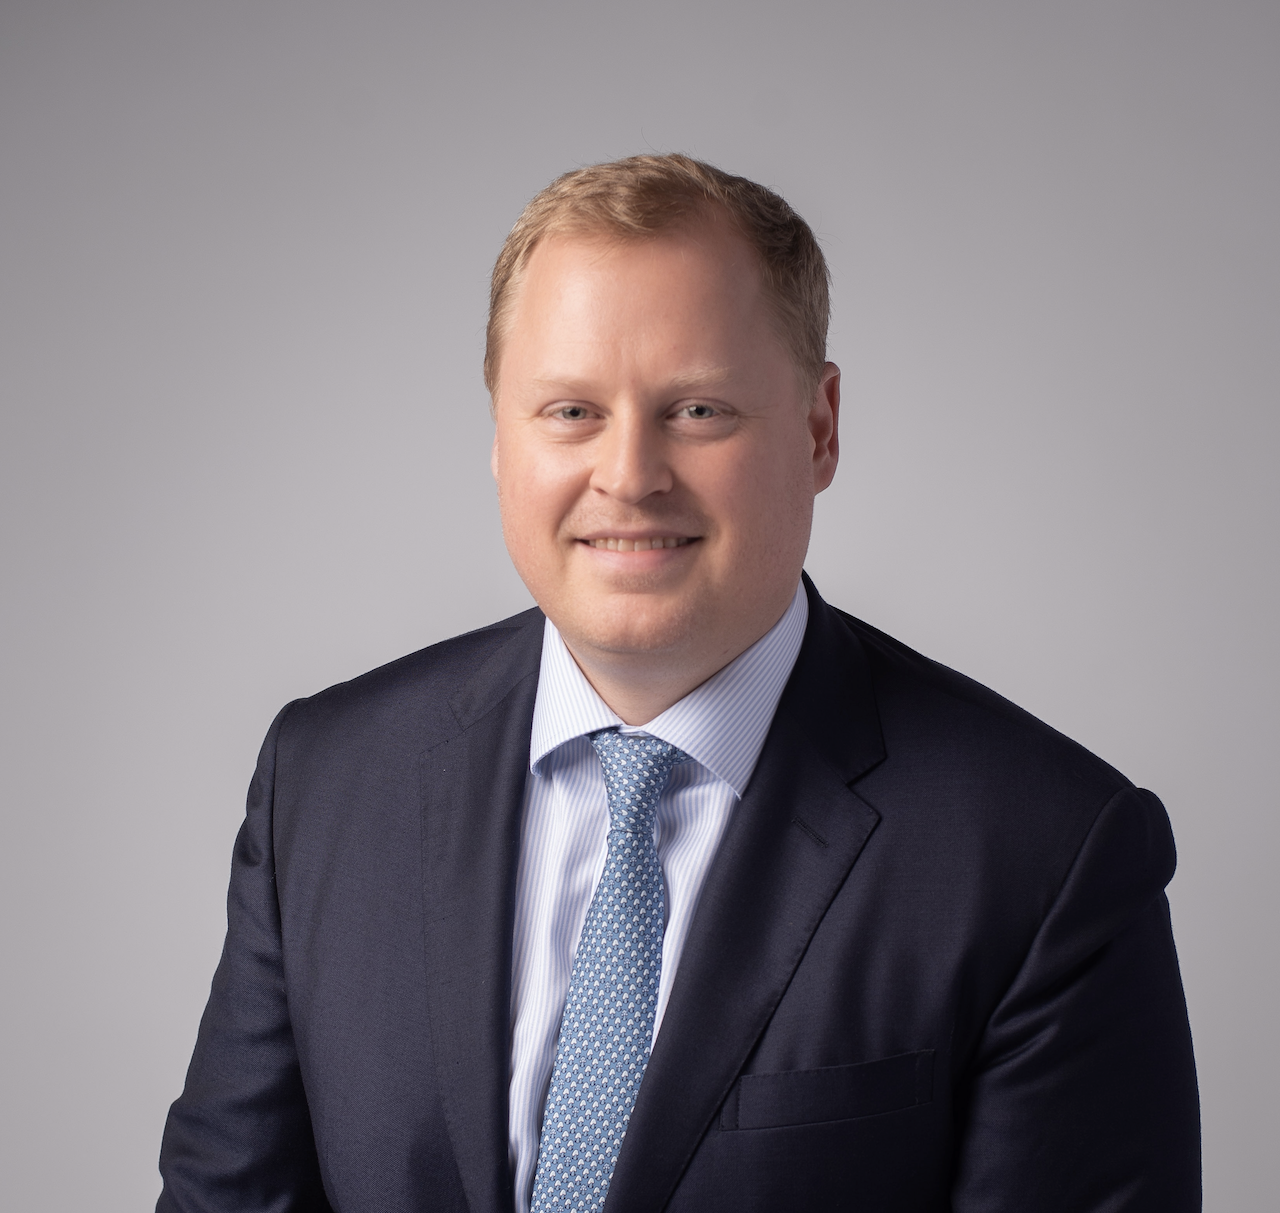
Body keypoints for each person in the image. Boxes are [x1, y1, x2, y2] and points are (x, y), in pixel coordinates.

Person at [157, 154, 1200, 1212]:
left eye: (697, 410)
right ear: (499, 436)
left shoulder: (1043, 852)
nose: (628, 476)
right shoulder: (326, 782)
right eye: (571, 411)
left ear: (820, 428)